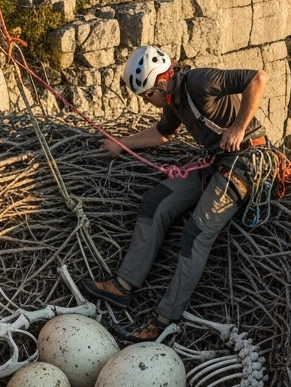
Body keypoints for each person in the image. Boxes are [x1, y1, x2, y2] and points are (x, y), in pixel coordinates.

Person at [79, 45, 269, 342]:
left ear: (161, 81)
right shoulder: (174, 101)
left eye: (146, 95)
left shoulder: (200, 81)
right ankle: (123, 286)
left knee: (197, 232)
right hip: (215, 161)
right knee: (156, 203)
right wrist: (120, 143)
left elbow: (256, 79)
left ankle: (164, 319)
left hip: (245, 162)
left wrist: (238, 128)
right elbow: (163, 133)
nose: (147, 101)